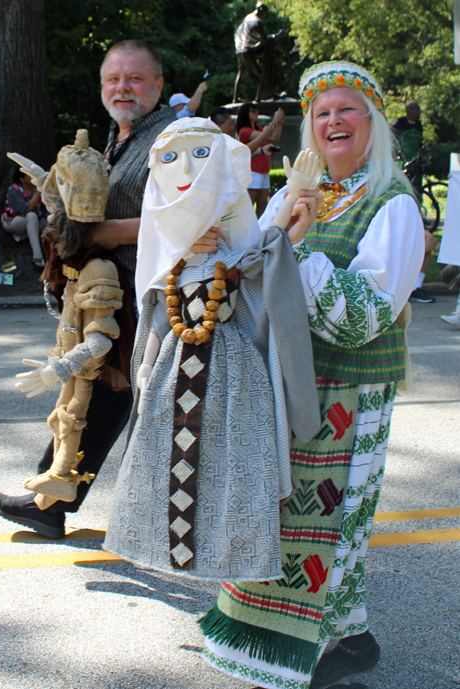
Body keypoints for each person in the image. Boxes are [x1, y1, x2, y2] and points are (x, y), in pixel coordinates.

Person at [199, 61, 424, 689]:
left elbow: (366, 315)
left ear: (374, 123)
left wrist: (295, 253)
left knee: (331, 518)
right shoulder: (295, 192)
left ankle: (328, 639)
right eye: (322, 114)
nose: (332, 122)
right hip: (283, 379)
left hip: (350, 383)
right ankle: (340, 635)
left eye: (347, 109)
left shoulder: (394, 203)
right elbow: (250, 268)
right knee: (280, 512)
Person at [104, 117, 320, 581]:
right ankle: (169, 546)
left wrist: (284, 226)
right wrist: (145, 359)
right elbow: (160, 304)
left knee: (230, 463)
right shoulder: (172, 256)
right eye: (172, 158)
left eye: (201, 154)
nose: (186, 169)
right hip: (174, 364)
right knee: (165, 458)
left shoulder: (234, 247)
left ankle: (232, 552)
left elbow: (258, 263)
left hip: (231, 370)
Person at [0, 40, 177, 539]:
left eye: (136, 78)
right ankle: (50, 501)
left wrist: (104, 234)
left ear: (159, 85)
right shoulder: (119, 140)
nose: (123, 87)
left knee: (106, 393)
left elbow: (187, 219)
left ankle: (57, 502)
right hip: (107, 289)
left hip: (147, 292)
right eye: (113, 79)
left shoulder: (172, 141)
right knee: (102, 394)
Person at [392, 102, 437, 303]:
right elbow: (392, 141)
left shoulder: (418, 126)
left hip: (414, 170)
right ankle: (408, 283)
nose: (417, 112)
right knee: (426, 241)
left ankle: (414, 286)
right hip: (404, 168)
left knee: (430, 240)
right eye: (414, 109)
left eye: (419, 109)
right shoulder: (399, 123)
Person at [236, 102, 284, 217]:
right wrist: (275, 120)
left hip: (263, 171)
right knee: (250, 204)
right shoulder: (245, 130)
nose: (256, 112)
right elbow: (266, 134)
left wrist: (280, 123)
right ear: (246, 113)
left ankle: (260, 230)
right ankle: (247, 231)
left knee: (263, 205)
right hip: (253, 170)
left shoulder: (259, 129)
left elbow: (274, 137)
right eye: (253, 110)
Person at [233, 3, 283, 103]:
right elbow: (264, 39)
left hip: (240, 50)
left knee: (241, 74)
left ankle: (235, 98)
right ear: (260, 9)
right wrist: (276, 36)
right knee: (262, 73)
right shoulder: (257, 21)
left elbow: (239, 34)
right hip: (247, 51)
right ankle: (269, 95)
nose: (264, 15)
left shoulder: (247, 18)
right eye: (264, 12)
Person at [1, 167, 47, 269]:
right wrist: (38, 193)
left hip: (34, 222)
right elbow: (24, 211)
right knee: (31, 215)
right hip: (13, 222)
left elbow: (44, 210)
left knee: (51, 222)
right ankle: (38, 258)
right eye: (29, 175)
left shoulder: (36, 189)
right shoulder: (14, 190)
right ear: (22, 179)